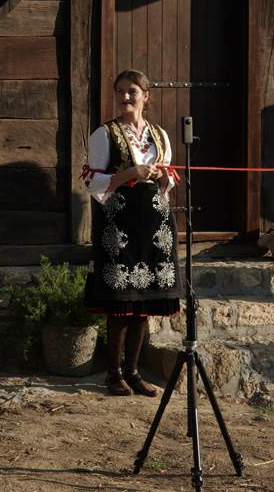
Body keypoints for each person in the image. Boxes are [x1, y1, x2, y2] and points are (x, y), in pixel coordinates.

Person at [81, 69, 180, 397]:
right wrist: (129, 174)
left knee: (144, 301)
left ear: (145, 96)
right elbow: (92, 183)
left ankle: (134, 372)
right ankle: (113, 374)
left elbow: (168, 183)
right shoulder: (104, 134)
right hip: (120, 226)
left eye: (132, 91)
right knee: (121, 302)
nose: (125, 97)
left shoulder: (160, 135)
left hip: (154, 228)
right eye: (120, 91)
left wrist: (164, 179)